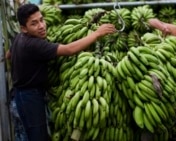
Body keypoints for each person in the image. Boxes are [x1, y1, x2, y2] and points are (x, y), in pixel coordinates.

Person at [6, 3, 116, 141]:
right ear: (23, 28)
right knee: (37, 135)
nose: (41, 26)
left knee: (27, 133)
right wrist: (97, 34)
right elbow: (69, 50)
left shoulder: (19, 38)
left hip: (21, 93)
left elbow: (8, 55)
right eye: (34, 24)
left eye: (41, 20)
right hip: (30, 96)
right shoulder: (35, 44)